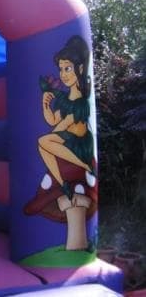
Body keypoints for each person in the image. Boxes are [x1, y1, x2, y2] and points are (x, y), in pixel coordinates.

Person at [38, 36, 95, 200]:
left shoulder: (81, 103)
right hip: (67, 140)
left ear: (80, 69)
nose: (63, 74)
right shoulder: (64, 98)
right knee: (43, 145)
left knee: (43, 142)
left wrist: (51, 138)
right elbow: (52, 121)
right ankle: (63, 183)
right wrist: (45, 105)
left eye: (68, 69)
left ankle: (86, 166)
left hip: (80, 144)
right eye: (61, 69)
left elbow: (61, 127)